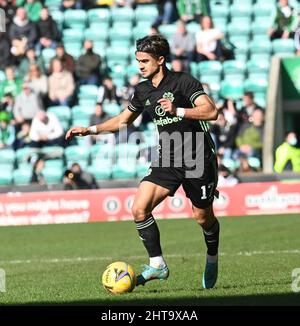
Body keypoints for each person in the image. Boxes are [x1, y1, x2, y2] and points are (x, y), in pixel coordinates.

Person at [65, 35, 220, 289]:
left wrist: (178, 110)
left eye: (145, 61)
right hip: (168, 157)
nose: (140, 66)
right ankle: (158, 265)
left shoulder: (184, 82)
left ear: (161, 60)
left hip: (198, 157)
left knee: (203, 218)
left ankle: (212, 256)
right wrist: (90, 129)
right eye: (138, 61)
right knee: (139, 208)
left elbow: (211, 111)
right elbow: (121, 121)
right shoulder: (143, 89)